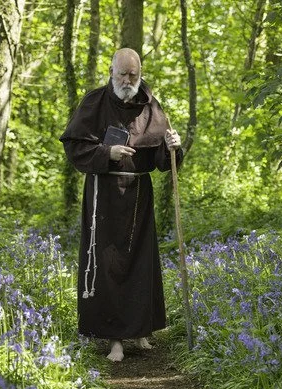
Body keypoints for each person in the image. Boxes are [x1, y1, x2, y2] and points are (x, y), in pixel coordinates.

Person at [60, 48, 182, 362]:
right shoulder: (95, 102)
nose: (127, 81)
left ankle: (141, 331)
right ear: (111, 71)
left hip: (139, 195)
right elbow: (75, 147)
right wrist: (108, 153)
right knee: (109, 264)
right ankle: (114, 339)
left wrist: (172, 147)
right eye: (122, 74)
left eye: (133, 75)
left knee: (141, 262)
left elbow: (159, 160)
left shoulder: (150, 106)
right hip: (105, 196)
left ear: (140, 73)